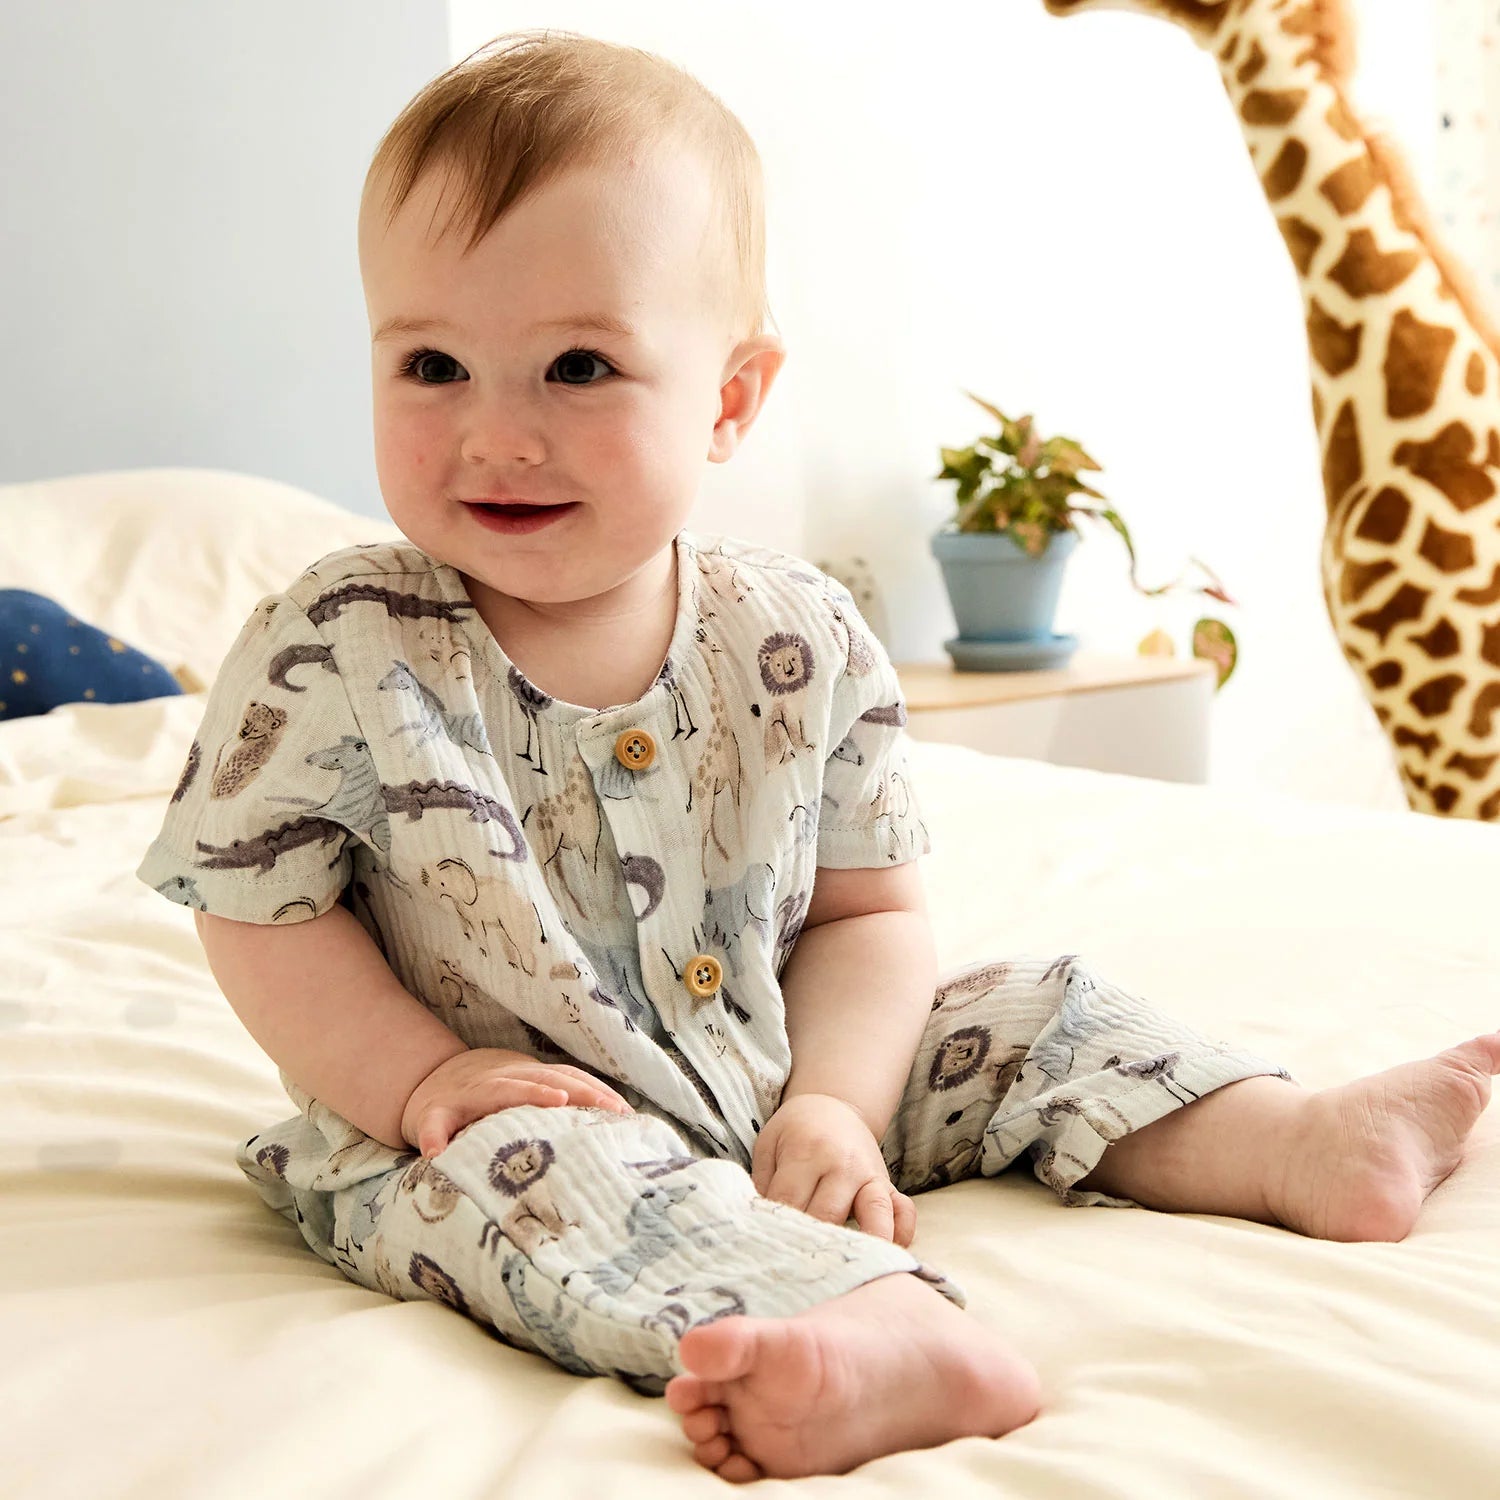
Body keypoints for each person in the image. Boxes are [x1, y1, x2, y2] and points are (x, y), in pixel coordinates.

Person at [137, 28, 1500, 1484]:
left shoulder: (803, 634)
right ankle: (862, 1326)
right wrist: (423, 1083)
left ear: (729, 399)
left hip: (786, 1063)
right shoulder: (336, 643)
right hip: (502, 1113)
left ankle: (1291, 1141)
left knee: (1030, 1012)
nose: (496, 434)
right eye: (432, 365)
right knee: (531, 1184)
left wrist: (836, 1104)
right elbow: (260, 914)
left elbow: (867, 918)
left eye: (579, 366)